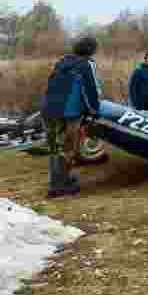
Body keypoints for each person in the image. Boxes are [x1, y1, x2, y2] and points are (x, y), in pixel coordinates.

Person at [41, 36, 102, 198]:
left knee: (54, 148)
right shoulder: (86, 65)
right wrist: (95, 111)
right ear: (91, 50)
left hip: (48, 110)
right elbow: (91, 91)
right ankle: (59, 187)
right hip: (68, 113)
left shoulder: (62, 61)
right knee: (68, 148)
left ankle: (59, 181)